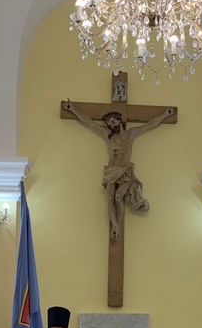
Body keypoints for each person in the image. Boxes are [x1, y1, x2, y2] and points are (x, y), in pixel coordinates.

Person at [62, 101, 175, 244]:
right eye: (109, 123)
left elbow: (149, 125)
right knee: (110, 197)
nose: (111, 124)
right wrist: (73, 110)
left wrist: (165, 114)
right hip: (111, 170)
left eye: (112, 121)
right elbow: (89, 123)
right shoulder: (108, 135)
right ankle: (114, 224)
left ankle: (118, 225)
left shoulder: (130, 134)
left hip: (125, 170)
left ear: (119, 119)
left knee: (118, 196)